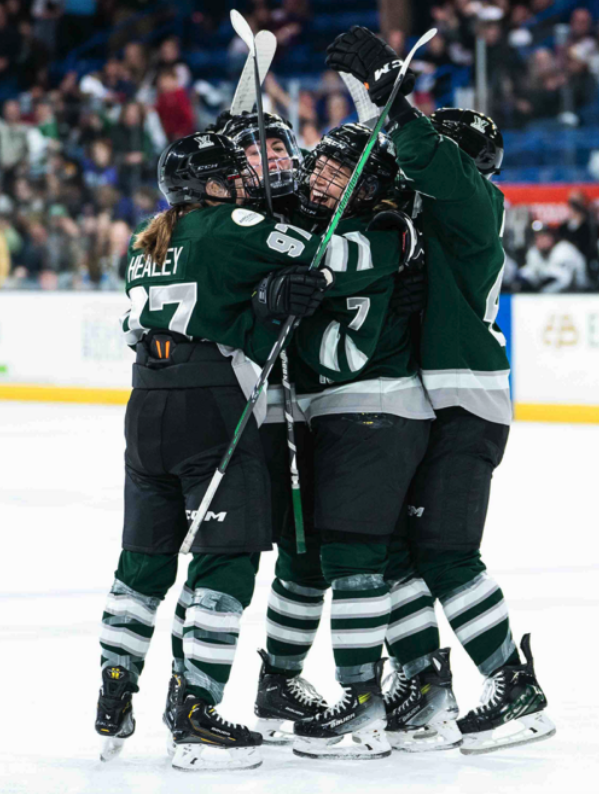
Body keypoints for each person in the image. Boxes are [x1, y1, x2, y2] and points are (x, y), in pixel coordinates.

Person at [95, 130, 404, 770]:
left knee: (143, 559)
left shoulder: (146, 238)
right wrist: (388, 239)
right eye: (232, 175)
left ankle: (115, 692)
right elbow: (318, 252)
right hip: (208, 405)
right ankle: (195, 717)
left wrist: (261, 301)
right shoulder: (229, 222)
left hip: (145, 405)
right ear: (210, 186)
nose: (244, 183)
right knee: (225, 559)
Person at [327, 25, 556, 755]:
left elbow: (428, 157)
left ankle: (512, 686)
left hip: (465, 401)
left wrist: (393, 104)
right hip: (433, 400)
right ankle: (423, 682)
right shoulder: (435, 211)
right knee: (400, 548)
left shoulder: (471, 200)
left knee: (448, 554)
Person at [252, 124, 435, 760]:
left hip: (371, 412)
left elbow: (329, 263)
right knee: (306, 556)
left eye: (342, 172)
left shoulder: (384, 231)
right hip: (324, 417)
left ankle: (368, 699)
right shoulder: (317, 220)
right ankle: (284, 681)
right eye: (321, 166)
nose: (322, 178)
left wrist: (268, 256)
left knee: (361, 557)